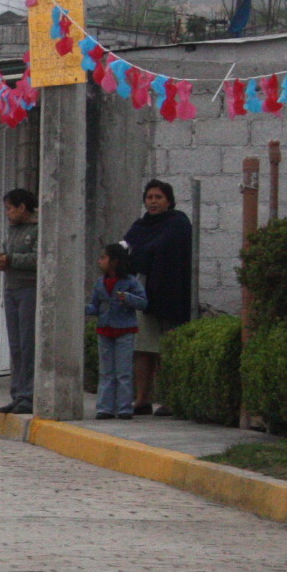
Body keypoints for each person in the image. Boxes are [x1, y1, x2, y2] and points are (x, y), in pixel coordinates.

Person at [119, 178, 193, 416]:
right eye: (149, 197)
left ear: (169, 201)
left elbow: (163, 250)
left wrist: (141, 254)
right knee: (143, 348)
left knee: (167, 349)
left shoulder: (178, 223)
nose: (153, 202)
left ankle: (171, 399)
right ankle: (142, 399)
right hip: (143, 295)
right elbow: (124, 252)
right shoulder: (139, 226)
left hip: (172, 294)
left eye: (158, 197)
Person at [87, 243, 149, 420]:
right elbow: (95, 306)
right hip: (104, 330)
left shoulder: (130, 282)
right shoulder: (100, 283)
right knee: (106, 371)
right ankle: (105, 408)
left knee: (123, 371)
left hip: (125, 330)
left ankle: (124, 408)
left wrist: (127, 298)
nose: (100, 261)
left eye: (103, 257)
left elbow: (143, 302)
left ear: (114, 261)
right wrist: (82, 308)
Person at [0, 188, 38, 415]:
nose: (7, 213)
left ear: (22, 207)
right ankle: (17, 393)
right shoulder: (12, 231)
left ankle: (29, 395)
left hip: (29, 290)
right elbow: (6, 253)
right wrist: (2, 260)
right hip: (11, 289)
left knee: (27, 344)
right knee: (15, 347)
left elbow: (39, 258)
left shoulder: (38, 229)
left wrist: (12, 260)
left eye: (10, 208)